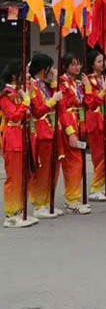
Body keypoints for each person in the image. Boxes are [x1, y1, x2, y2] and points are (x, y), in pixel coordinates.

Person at [1, 61, 38, 228]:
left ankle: (21, 209)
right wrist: (25, 102)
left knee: (26, 175)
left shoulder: (19, 92)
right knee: (14, 177)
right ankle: (11, 213)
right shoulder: (5, 95)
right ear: (16, 75)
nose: (28, 76)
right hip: (13, 138)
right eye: (25, 73)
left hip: (24, 137)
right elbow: (14, 116)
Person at [28, 54, 64, 219]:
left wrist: (55, 82)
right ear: (43, 69)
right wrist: (52, 101)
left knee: (54, 168)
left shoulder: (47, 85)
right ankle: (38, 203)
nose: (52, 71)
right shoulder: (32, 86)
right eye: (50, 68)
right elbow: (37, 110)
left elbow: (60, 104)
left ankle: (48, 201)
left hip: (52, 129)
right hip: (41, 130)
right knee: (43, 169)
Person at [58, 54, 92, 215]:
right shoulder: (62, 84)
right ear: (65, 66)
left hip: (78, 123)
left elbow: (89, 104)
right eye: (73, 64)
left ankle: (73, 198)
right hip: (68, 126)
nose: (77, 68)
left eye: (78, 64)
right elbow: (63, 110)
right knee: (73, 163)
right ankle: (72, 200)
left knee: (77, 163)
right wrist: (70, 132)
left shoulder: (75, 84)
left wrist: (88, 87)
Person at [84, 50, 106, 202]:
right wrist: (103, 92)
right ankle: (95, 187)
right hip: (95, 120)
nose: (102, 63)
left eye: (103, 60)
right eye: (98, 61)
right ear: (92, 64)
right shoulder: (88, 81)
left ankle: (102, 186)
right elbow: (90, 103)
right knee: (103, 155)